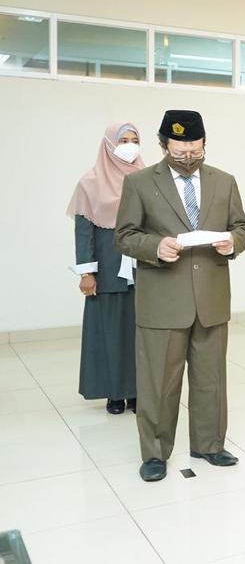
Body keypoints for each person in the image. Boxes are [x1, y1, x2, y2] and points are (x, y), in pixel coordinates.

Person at [115, 109, 245, 482]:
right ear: (163, 145)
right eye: (180, 148)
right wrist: (155, 246)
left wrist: (233, 243)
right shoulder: (140, 182)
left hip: (211, 297)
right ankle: (155, 453)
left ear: (205, 143)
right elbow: (124, 235)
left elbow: (241, 226)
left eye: (195, 147)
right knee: (159, 382)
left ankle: (209, 444)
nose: (188, 154)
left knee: (211, 378)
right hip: (162, 299)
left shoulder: (224, 181)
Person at [67, 123, 145, 415]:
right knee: (110, 333)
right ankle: (114, 393)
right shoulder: (90, 183)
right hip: (108, 271)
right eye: (123, 140)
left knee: (140, 335)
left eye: (134, 140)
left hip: (143, 270)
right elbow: (83, 232)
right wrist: (87, 273)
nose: (129, 145)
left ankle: (136, 392)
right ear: (108, 144)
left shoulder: (147, 178)